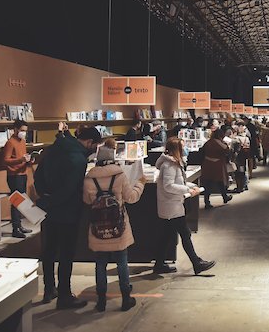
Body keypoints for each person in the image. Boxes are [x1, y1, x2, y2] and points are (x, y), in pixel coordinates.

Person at [34, 126, 102, 309]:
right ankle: (64, 295)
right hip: (68, 211)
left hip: (50, 211)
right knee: (66, 253)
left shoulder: (54, 149)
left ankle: (49, 289)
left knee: (49, 250)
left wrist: (45, 197)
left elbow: (37, 176)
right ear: (90, 143)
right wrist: (54, 200)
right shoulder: (78, 159)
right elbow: (70, 189)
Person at [82, 138, 145, 312]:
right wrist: (140, 184)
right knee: (121, 261)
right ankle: (126, 297)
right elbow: (131, 197)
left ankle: (101, 300)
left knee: (100, 263)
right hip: (118, 226)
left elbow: (87, 201)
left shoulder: (89, 179)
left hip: (98, 227)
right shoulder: (119, 175)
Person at [154, 137, 215, 275]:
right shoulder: (169, 165)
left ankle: (159, 264)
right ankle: (196, 263)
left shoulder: (173, 163)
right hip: (172, 206)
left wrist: (192, 187)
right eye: (182, 147)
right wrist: (187, 190)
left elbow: (178, 182)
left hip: (171, 205)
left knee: (167, 235)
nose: (185, 149)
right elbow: (168, 186)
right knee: (185, 233)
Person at [2, 119, 33, 239]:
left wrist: (29, 160)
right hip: (14, 175)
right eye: (22, 130)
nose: (24, 133)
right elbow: (5, 160)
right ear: (15, 129)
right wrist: (20, 160)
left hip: (23, 173)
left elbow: (22, 157)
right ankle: (15, 228)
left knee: (22, 201)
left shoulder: (23, 141)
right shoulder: (10, 142)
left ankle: (20, 225)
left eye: (25, 131)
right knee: (16, 202)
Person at [200, 128, 233, 209]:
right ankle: (224, 197)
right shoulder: (219, 143)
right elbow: (226, 151)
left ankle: (207, 202)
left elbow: (202, 151)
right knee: (220, 182)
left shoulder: (208, 142)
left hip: (207, 164)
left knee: (207, 184)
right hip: (217, 164)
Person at [233, 123, 251, 192]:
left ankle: (239, 187)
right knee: (243, 172)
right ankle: (243, 186)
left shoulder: (236, 139)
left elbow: (232, 149)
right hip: (244, 156)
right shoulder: (247, 138)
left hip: (237, 157)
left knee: (237, 173)